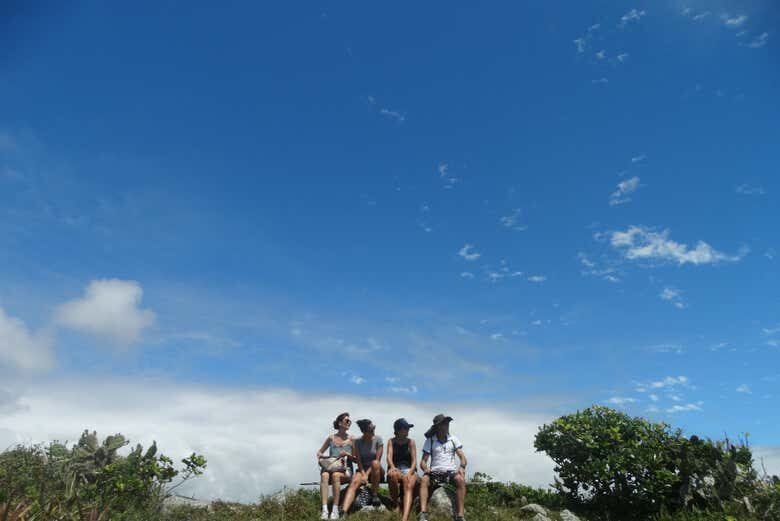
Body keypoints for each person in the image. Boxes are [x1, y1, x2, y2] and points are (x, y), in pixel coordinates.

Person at [418, 414, 467, 521]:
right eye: (444, 423)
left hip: (450, 472)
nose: (447, 425)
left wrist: (462, 467)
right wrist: (426, 469)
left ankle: (460, 515)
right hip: (434, 472)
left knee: (460, 480)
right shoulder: (430, 440)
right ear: (438, 426)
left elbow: (462, 457)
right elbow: (423, 461)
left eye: (447, 423)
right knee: (424, 480)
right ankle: (423, 513)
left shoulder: (453, 439)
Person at [317, 412, 357, 520]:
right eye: (347, 421)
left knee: (335, 475)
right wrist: (321, 456)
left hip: (345, 470)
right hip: (332, 467)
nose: (349, 423)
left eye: (350, 421)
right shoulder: (331, 438)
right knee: (324, 475)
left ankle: (335, 509)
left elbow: (357, 459)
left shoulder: (352, 439)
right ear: (340, 423)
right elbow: (319, 452)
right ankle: (325, 509)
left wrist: (347, 455)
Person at [341, 418, 384, 513]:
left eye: (374, 428)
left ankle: (375, 495)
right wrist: (363, 474)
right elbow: (359, 461)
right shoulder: (357, 442)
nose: (373, 431)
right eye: (371, 430)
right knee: (354, 483)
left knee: (375, 463)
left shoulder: (378, 439)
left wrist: (366, 475)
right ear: (364, 431)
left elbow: (377, 460)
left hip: (376, 470)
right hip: (362, 469)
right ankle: (343, 511)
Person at [387, 418, 418, 521]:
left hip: (409, 468)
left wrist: (410, 472)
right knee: (392, 476)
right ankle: (396, 504)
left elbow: (414, 461)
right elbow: (388, 457)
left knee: (407, 482)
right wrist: (392, 467)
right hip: (396, 468)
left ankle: (405, 516)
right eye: (406, 428)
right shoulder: (391, 441)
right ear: (399, 430)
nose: (408, 430)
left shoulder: (411, 442)